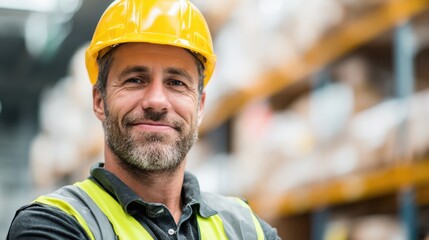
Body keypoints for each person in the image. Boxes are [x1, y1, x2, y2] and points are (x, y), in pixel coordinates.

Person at [7, 0, 280, 239]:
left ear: (200, 106)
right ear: (99, 101)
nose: (157, 101)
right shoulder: (54, 224)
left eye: (176, 82)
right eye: (135, 80)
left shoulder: (247, 228)